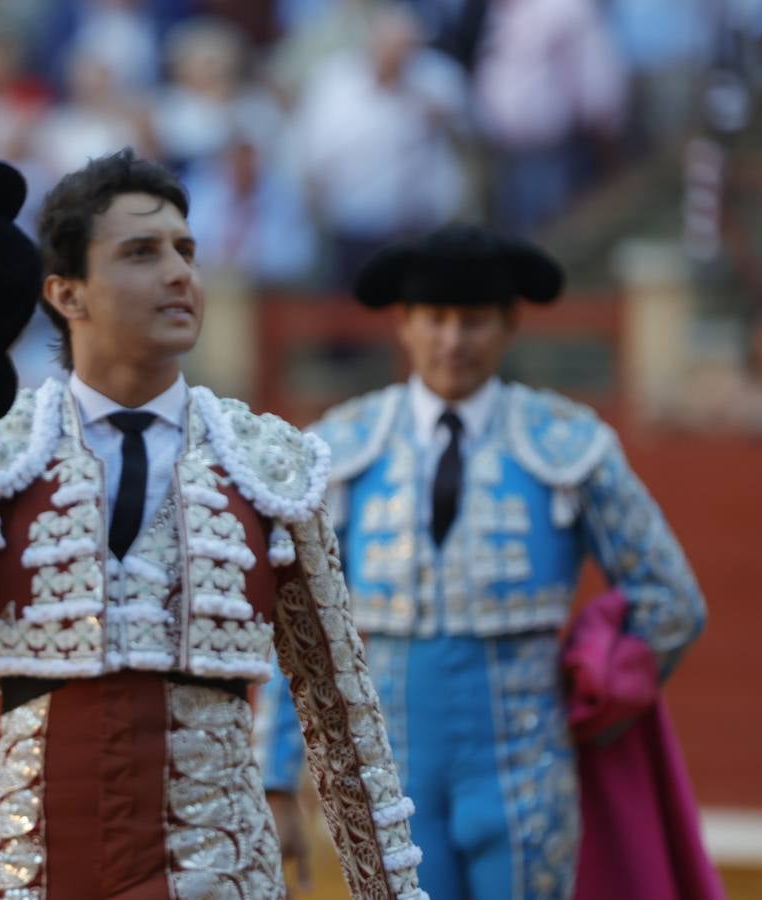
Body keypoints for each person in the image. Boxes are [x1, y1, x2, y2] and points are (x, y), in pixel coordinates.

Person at [0, 149, 426, 899]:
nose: (180, 273)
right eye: (142, 253)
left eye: (187, 250)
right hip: (45, 874)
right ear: (67, 293)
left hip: (221, 878)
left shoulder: (268, 467)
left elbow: (343, 719)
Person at [256, 223, 708, 899]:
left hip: (527, 766)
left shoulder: (569, 443)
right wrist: (275, 775)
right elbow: (299, 626)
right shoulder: (341, 448)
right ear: (404, 325)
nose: (452, 341)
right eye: (435, 319)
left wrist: (599, 693)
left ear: (508, 325)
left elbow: (672, 601)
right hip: (388, 774)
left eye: (474, 321)